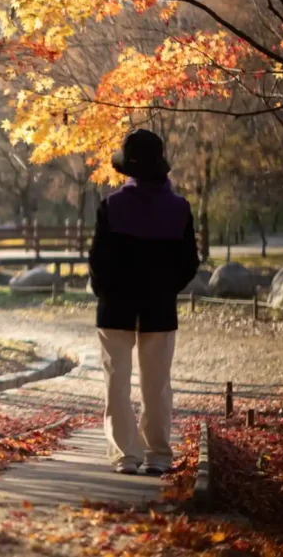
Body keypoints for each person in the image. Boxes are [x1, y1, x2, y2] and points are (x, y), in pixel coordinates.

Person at [88, 129, 200, 475]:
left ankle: (126, 455)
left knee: (116, 384)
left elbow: (98, 260)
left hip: (116, 307)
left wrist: (105, 291)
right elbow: (189, 262)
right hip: (159, 308)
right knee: (157, 385)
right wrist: (166, 288)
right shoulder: (179, 209)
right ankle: (158, 454)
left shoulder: (111, 206)